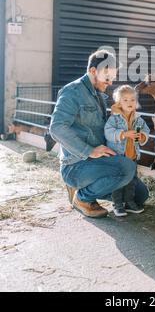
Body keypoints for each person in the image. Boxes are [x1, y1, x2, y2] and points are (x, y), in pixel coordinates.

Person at [49, 49, 149, 218]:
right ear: (94, 71)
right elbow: (56, 128)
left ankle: (93, 188)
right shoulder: (72, 91)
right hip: (76, 165)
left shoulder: (100, 96)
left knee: (141, 195)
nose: (110, 82)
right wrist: (89, 150)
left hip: (100, 162)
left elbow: (107, 131)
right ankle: (82, 198)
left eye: (113, 78)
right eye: (107, 77)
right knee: (126, 168)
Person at [105, 85, 150, 217]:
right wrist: (123, 134)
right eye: (125, 100)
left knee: (131, 181)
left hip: (132, 156)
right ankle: (117, 204)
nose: (130, 103)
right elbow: (108, 132)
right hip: (118, 156)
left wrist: (142, 136)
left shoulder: (138, 118)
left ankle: (129, 202)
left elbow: (146, 130)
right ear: (119, 103)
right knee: (118, 180)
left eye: (132, 100)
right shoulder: (114, 118)